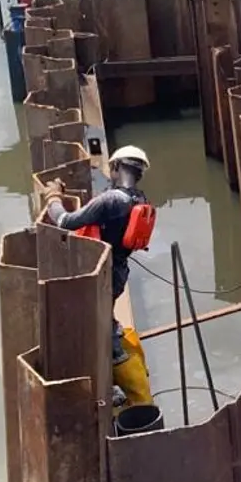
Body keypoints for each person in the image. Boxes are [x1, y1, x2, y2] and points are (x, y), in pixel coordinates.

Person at [42, 145, 156, 365]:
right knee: (107, 312)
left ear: (115, 166)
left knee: (97, 322)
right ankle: (115, 345)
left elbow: (66, 221)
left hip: (103, 271)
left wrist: (53, 198)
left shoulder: (111, 199)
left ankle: (116, 366)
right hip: (120, 270)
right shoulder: (139, 200)